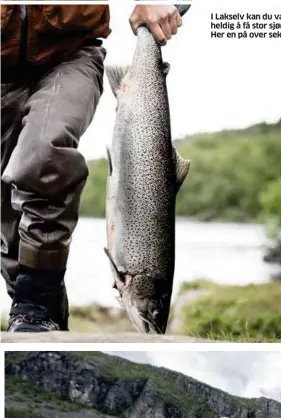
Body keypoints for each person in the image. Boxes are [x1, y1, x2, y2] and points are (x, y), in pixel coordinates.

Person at [1, 4, 183, 332]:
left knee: (43, 154)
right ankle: (40, 312)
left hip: (70, 55)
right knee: (5, 217)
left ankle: (35, 308)